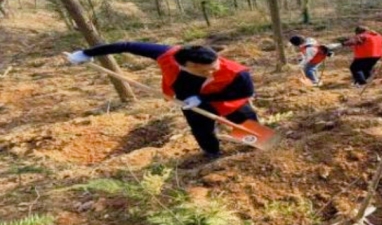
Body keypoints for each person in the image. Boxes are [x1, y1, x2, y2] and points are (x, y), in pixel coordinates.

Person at [67, 42, 257, 158]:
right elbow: (126, 46)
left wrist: (202, 98)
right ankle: (212, 153)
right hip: (187, 101)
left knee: (247, 124)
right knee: (201, 129)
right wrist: (87, 53)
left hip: (227, 98)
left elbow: (245, 92)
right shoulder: (167, 55)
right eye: (202, 71)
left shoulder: (237, 72)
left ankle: (255, 148)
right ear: (184, 65)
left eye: (214, 67)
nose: (210, 72)